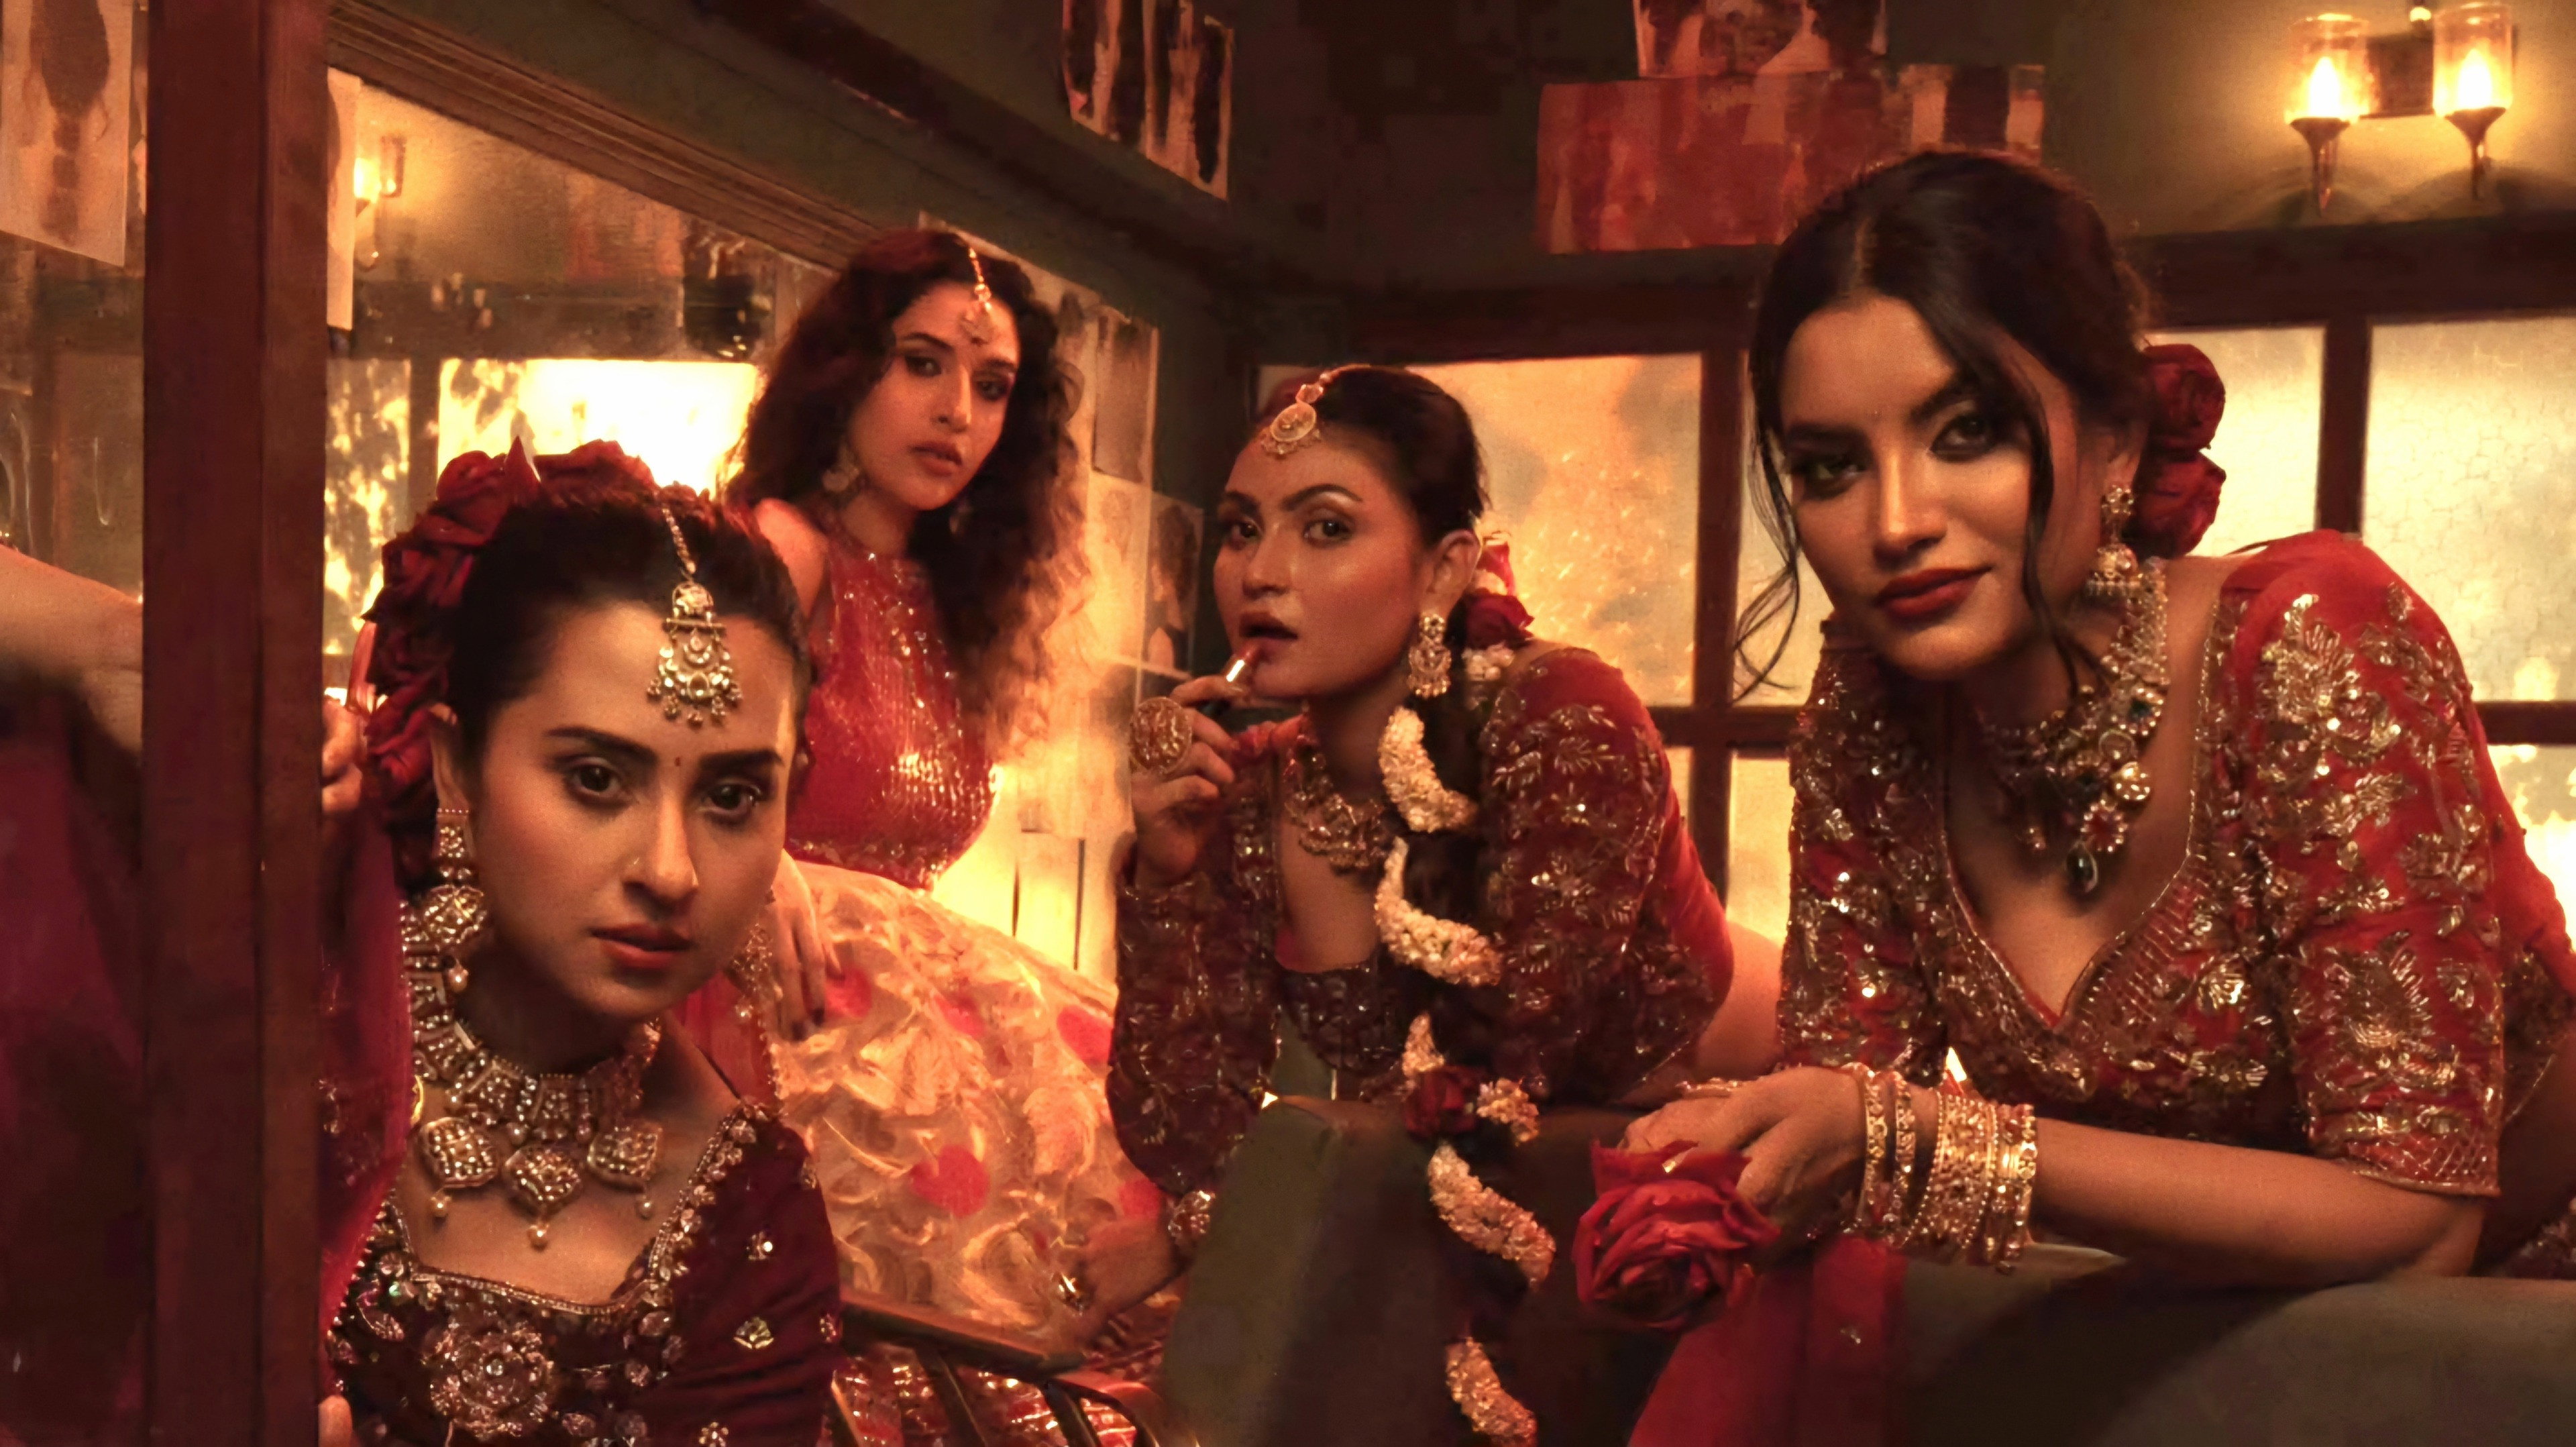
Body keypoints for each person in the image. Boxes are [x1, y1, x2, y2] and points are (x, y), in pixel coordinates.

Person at [1622, 148, 2576, 1441]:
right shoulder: (1870, 713)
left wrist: (1920, 1142)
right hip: (2210, 1352)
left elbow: (2418, 1221)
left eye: (1967, 433)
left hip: (2520, 1339)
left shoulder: (2310, 647)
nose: (1895, 521)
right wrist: (1725, 1157)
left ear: (2117, 435)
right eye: (1831, 466)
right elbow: (1846, 1112)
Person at [1106, 364, 1779, 1436]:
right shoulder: (1253, 791)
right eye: (1241, 529)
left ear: (1445, 569)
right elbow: (1183, 1136)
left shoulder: (1563, 721)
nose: (1262, 572)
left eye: (1326, 528)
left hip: (1736, 1166)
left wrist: (1196, 1229)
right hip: (1474, 1202)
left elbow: (1504, 1067)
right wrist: (1165, 874)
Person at [705, 229, 1166, 1369]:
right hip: (783, 1008)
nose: (957, 411)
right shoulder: (784, 549)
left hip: (908, 1014)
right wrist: (763, 858)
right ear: (845, 372)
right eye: (922, 364)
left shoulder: (953, 597)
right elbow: (693, 771)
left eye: (992, 385)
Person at [321, 442, 843, 1444]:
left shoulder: (750, 1219)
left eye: (733, 796)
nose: (671, 871)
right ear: (457, 766)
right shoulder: (298, 1053)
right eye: (598, 779)